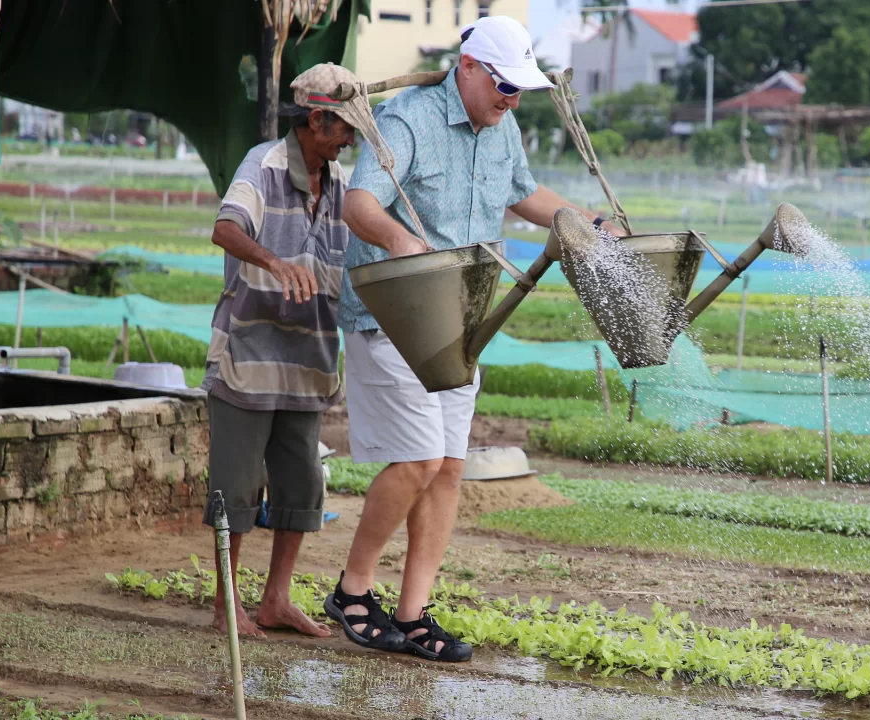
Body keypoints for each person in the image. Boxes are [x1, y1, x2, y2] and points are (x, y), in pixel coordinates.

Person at [328, 15, 621, 662]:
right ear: (468, 68)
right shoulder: (409, 120)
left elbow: (522, 194)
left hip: (463, 317)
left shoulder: (503, 126)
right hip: (395, 313)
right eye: (504, 87)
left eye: (520, 90)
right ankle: (352, 591)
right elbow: (360, 203)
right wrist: (406, 242)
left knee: (450, 468)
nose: (511, 99)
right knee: (417, 461)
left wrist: (589, 220)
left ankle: (412, 614)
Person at [201, 64, 363, 639]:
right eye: (344, 127)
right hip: (249, 357)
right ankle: (227, 607)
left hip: (309, 361)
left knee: (300, 487)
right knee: (237, 488)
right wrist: (272, 260)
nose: (351, 139)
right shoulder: (263, 165)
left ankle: (275, 601)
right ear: (316, 118)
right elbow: (226, 228)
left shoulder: (342, 183)